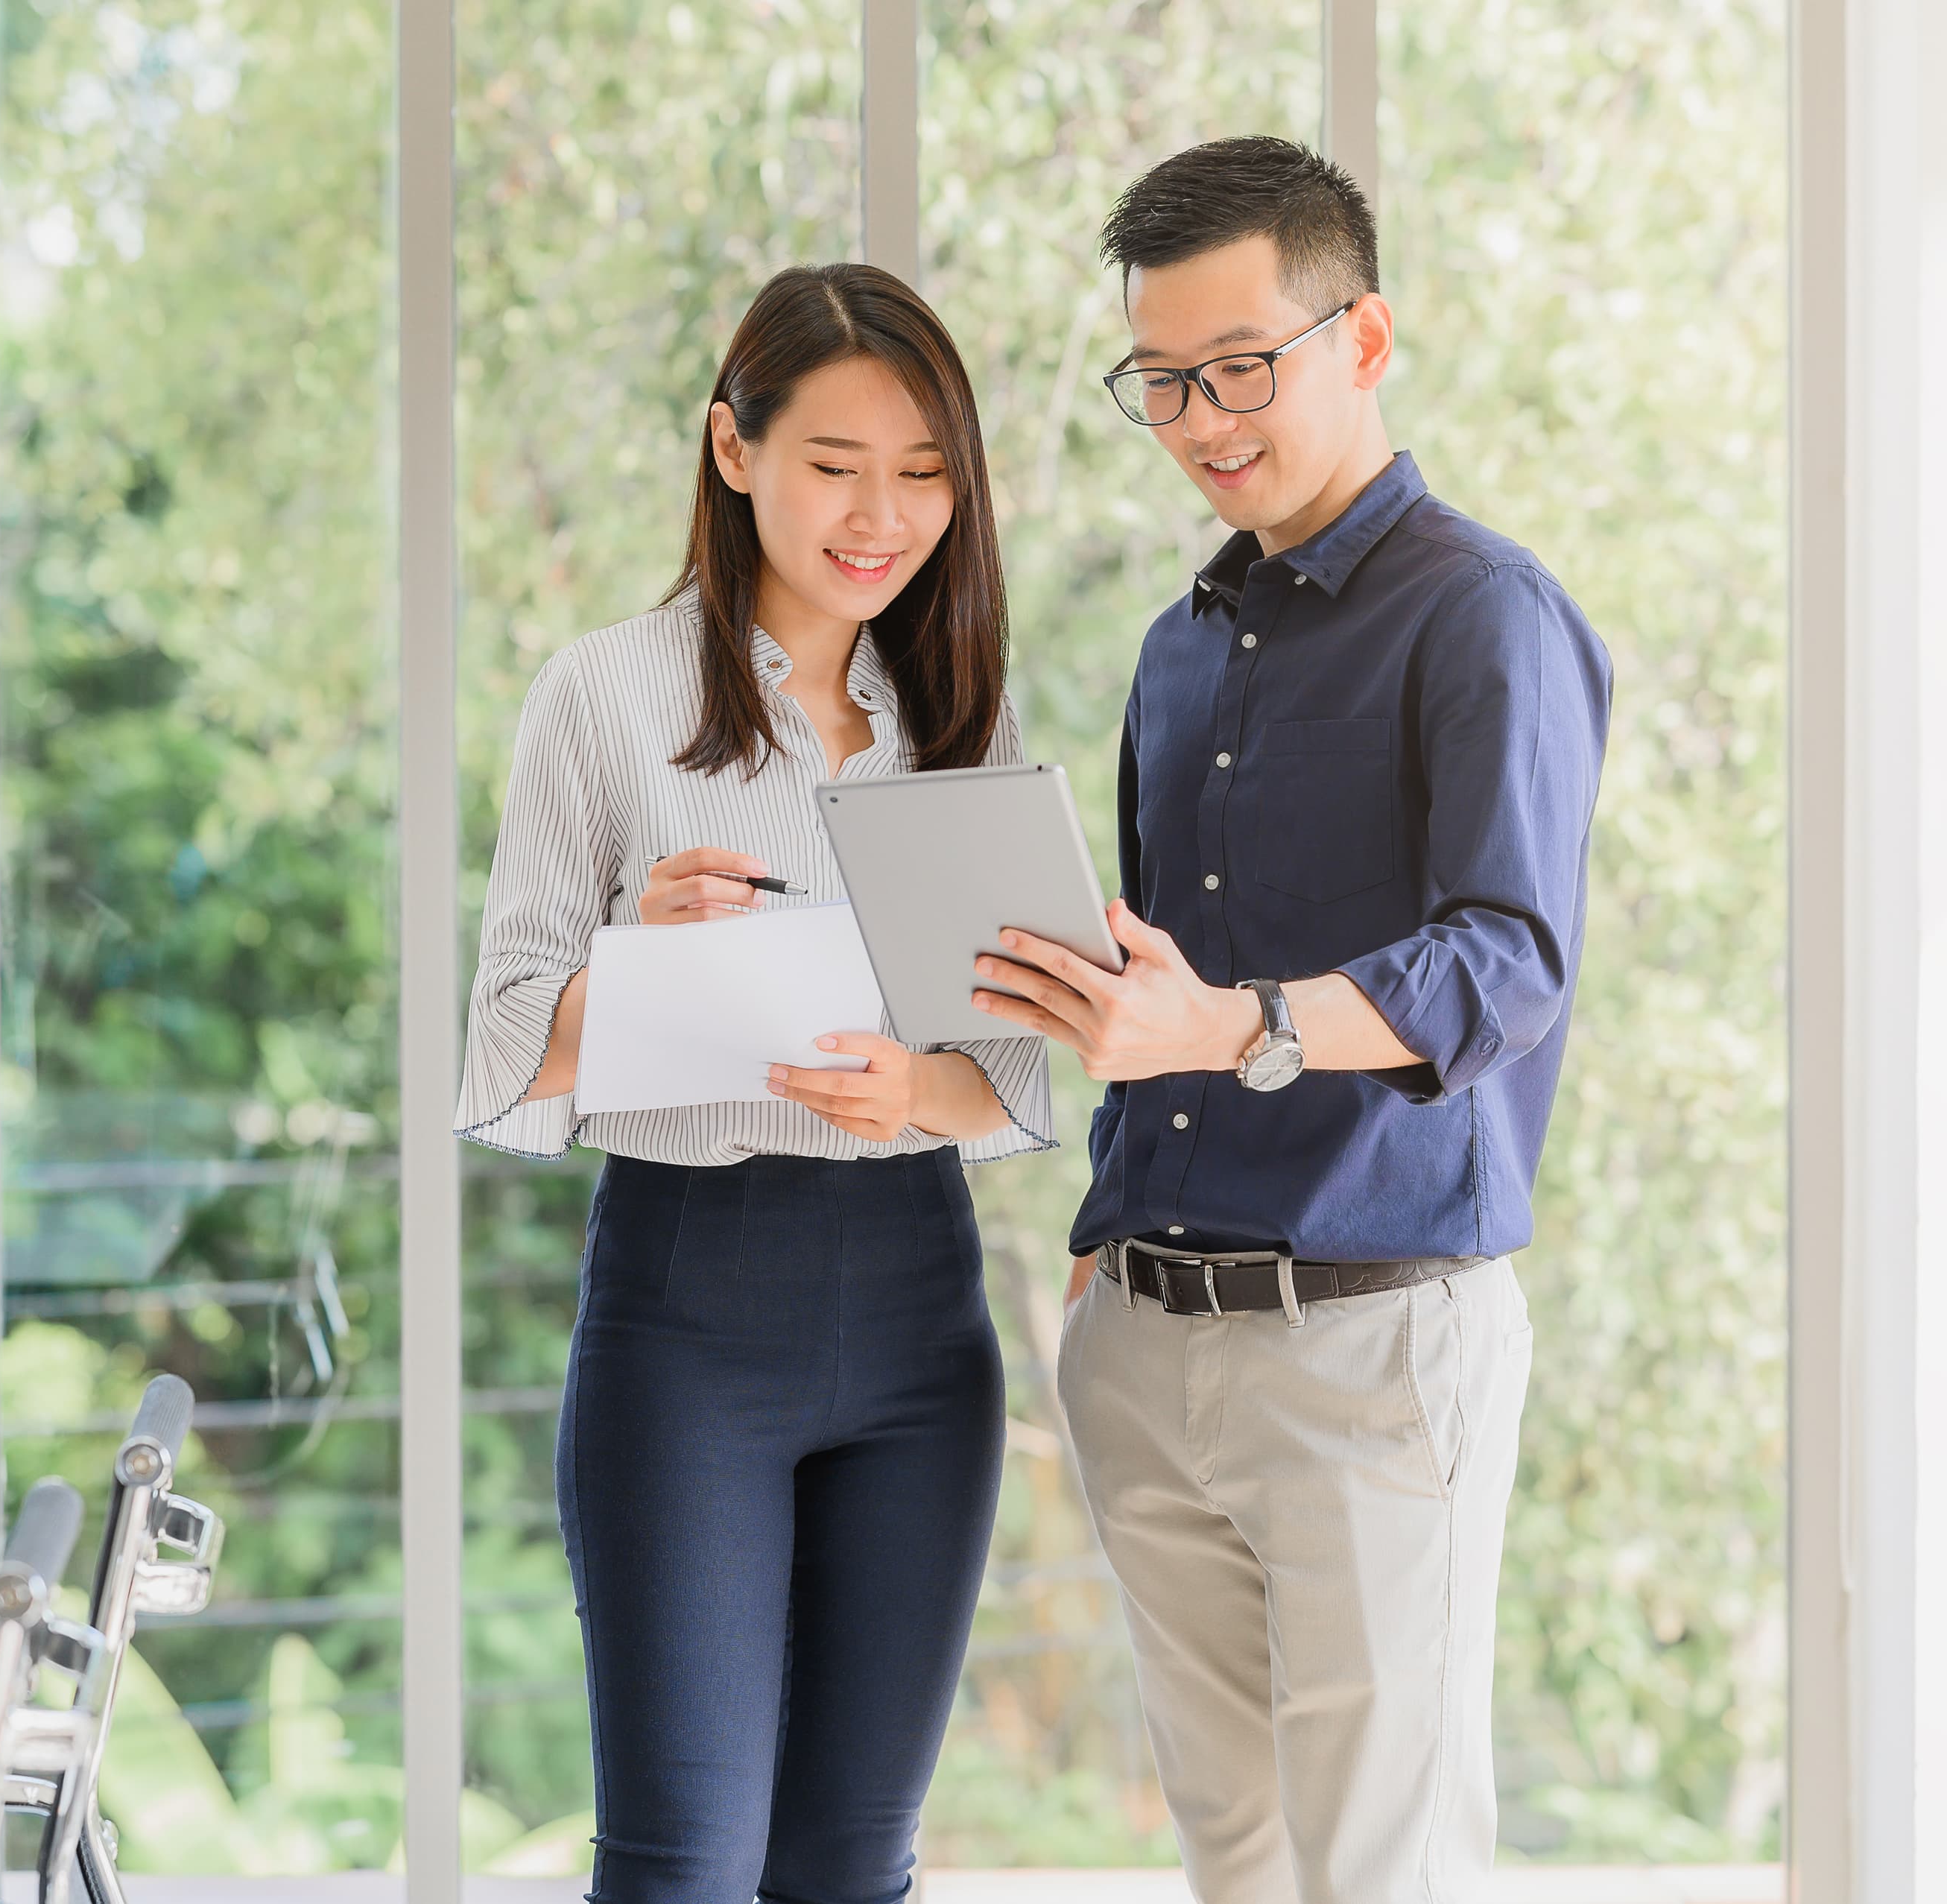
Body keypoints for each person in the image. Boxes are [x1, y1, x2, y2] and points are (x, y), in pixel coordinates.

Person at [969, 138, 1612, 1903]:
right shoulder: (1188, 646)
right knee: (1237, 1858)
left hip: (1370, 1348)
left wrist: (1234, 1026)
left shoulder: (1484, 617)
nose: (1199, 417)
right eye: (1160, 379)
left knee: (1373, 1868)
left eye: (1240, 365)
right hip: (1152, 1334)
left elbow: (1505, 965)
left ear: (1365, 337)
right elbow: (1165, 971)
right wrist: (1106, 1214)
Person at [455, 262, 1054, 1904]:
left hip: (920, 1312)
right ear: (735, 451)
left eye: (926, 474)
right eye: (836, 465)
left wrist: (915, 1092)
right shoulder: (605, 696)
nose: (882, 516)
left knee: (852, 1866)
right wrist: (633, 951)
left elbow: (1013, 1071)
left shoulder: (963, 718)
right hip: (687, 1311)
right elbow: (501, 1046)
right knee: (683, 1867)